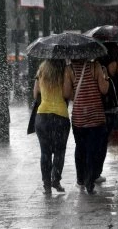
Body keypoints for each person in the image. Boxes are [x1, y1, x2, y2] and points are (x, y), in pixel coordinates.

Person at [70, 59, 109, 194]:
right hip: (95, 116)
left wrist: (79, 96)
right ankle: (90, 180)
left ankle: (80, 178)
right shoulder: (95, 66)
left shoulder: (70, 68)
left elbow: (68, 94)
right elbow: (104, 90)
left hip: (78, 117)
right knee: (93, 149)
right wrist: (106, 76)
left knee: (80, 148)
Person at [33, 59, 73, 195]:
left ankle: (47, 185)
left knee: (45, 152)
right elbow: (67, 94)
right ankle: (56, 180)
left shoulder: (41, 69)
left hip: (42, 116)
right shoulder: (65, 70)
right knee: (59, 151)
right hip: (60, 116)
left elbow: (35, 93)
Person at [95, 43, 118, 183]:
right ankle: (97, 172)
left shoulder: (97, 64)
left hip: (98, 106)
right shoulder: (114, 65)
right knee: (103, 142)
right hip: (110, 108)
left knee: (95, 141)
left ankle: (90, 171)